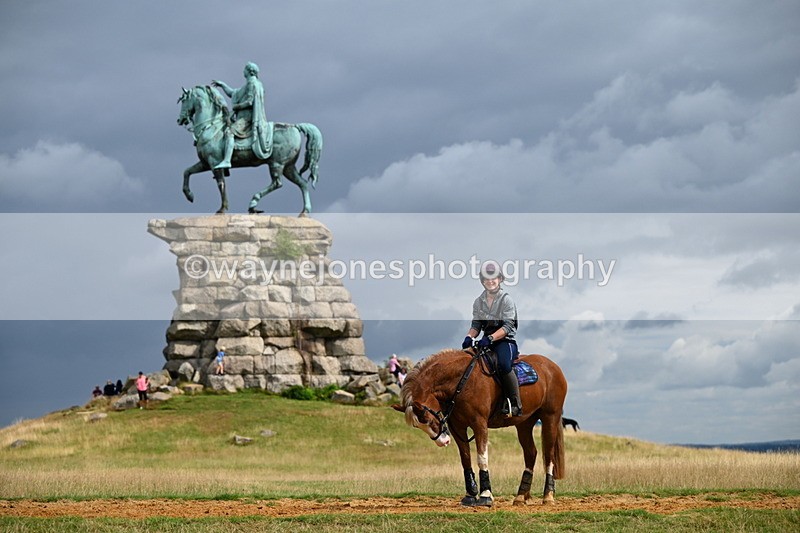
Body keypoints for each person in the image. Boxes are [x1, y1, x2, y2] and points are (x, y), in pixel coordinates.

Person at [462, 260, 522, 417]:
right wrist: (469, 337)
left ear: (500, 279)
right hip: (486, 342)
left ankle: (515, 403)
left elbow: (508, 327)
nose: (490, 281)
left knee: (503, 364)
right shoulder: (478, 302)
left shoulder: (506, 300)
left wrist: (490, 338)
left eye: (493, 277)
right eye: (487, 278)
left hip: (505, 341)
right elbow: (476, 325)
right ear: (482, 281)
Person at [211, 61, 272, 169]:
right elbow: (233, 92)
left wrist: (237, 107)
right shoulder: (254, 83)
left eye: (244, 69)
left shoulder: (252, 84)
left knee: (229, 132)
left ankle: (227, 160)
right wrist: (223, 85)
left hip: (247, 119)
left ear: (249, 71)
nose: (243, 71)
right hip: (244, 117)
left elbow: (249, 102)